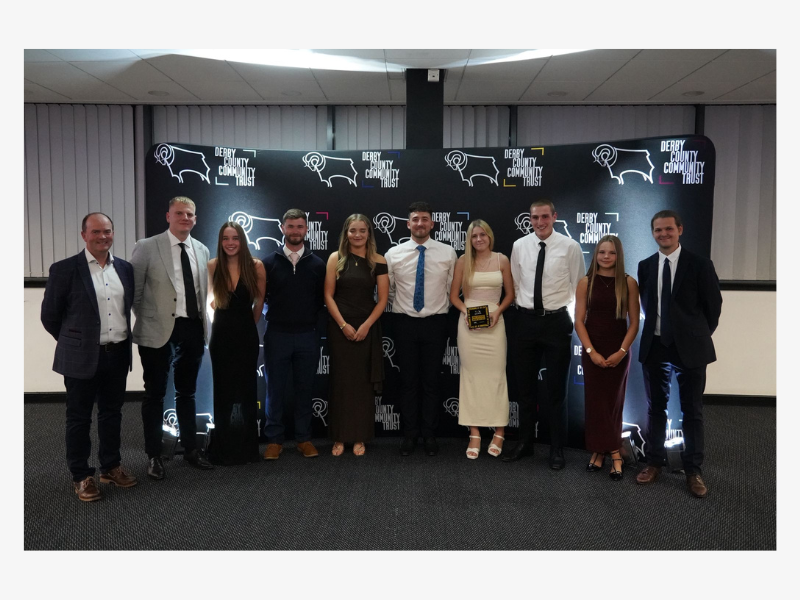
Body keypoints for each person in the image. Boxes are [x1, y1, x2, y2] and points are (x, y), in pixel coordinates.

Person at [41, 212, 138, 501]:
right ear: (84, 235)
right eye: (96, 231)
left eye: (107, 231)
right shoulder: (64, 269)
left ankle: (110, 467)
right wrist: (74, 343)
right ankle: (81, 476)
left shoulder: (125, 269)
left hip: (117, 354)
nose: (102, 236)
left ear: (113, 233)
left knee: (112, 414)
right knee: (79, 418)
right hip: (81, 357)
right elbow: (50, 316)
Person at [635, 210, 722, 498]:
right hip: (656, 345)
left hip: (690, 348)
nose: (663, 234)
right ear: (653, 233)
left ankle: (693, 470)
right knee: (655, 408)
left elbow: (713, 308)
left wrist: (695, 335)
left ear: (680, 230)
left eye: (668, 229)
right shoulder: (646, 266)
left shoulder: (700, 265)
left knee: (692, 410)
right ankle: (654, 462)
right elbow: (647, 304)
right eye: (658, 230)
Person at [131, 196, 213, 479]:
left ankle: (191, 449)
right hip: (157, 330)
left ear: (195, 219)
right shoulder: (147, 246)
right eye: (179, 213)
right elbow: (135, 293)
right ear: (168, 216)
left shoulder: (201, 249)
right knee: (154, 394)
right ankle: (154, 455)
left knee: (187, 392)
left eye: (189, 214)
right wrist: (149, 320)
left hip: (192, 328)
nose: (185, 218)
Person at [505, 200, 586, 469]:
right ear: (530, 219)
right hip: (525, 321)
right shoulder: (519, 245)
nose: (539, 222)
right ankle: (525, 443)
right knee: (524, 389)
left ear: (554, 217)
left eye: (544, 217)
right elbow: (516, 283)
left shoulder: (570, 247)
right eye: (535, 217)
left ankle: (557, 448)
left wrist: (570, 318)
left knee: (556, 391)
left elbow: (579, 286)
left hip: (556, 322)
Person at [385, 201, 457, 457]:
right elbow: (389, 291)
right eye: (415, 219)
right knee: (407, 381)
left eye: (425, 219)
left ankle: (429, 434)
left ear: (432, 223)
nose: (420, 223)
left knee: (431, 381)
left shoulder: (448, 253)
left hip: (436, 323)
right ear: (408, 224)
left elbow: (452, 289)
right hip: (404, 323)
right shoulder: (393, 254)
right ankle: (409, 434)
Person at [261, 209, 326, 460]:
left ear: (306, 229)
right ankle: (274, 440)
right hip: (277, 334)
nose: (295, 231)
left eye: (300, 226)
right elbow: (261, 298)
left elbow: (321, 300)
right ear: (282, 228)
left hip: (308, 335)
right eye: (290, 226)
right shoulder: (268, 263)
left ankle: (303, 439)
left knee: (305, 389)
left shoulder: (318, 264)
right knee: (274, 390)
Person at [574, 235, 640, 480]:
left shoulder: (628, 283)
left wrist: (621, 352)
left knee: (613, 403)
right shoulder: (586, 282)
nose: (606, 256)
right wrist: (591, 352)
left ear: (618, 255)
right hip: (593, 350)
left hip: (618, 351)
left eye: (611, 252)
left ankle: (613, 452)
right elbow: (578, 321)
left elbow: (634, 323)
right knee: (595, 403)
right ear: (596, 254)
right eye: (602, 252)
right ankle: (599, 450)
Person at [449, 220, 515, 459]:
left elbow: (510, 294)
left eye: (482, 235)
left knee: (497, 376)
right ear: (469, 239)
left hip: (495, 323)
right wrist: (466, 312)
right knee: (471, 377)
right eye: (474, 236)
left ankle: (500, 431)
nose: (478, 239)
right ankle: (474, 432)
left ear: (489, 236)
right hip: (469, 325)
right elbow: (453, 297)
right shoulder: (462, 261)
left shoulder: (502, 260)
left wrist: (498, 312)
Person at [324, 214, 389, 456]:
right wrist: (343, 325)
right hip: (340, 328)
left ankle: (360, 436)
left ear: (369, 233)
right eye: (353, 230)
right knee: (341, 383)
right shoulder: (335, 258)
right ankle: (339, 438)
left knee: (362, 386)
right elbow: (328, 295)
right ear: (346, 233)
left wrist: (366, 326)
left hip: (367, 328)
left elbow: (382, 299)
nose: (357, 235)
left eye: (362, 230)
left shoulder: (378, 260)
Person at [206, 221, 266, 465]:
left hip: (246, 336)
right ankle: (223, 448)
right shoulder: (212, 265)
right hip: (220, 336)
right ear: (220, 242)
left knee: (246, 390)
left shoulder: (256, 266)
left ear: (242, 240)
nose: (230, 243)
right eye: (225, 238)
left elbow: (259, 303)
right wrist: (225, 321)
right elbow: (210, 301)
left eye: (235, 238)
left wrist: (244, 325)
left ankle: (246, 449)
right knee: (223, 392)